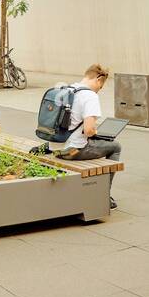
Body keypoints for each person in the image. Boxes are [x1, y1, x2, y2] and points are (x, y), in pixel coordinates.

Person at [52, 64, 122, 208]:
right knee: (115, 147)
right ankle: (104, 196)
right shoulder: (90, 96)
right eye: (101, 87)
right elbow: (89, 130)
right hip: (72, 151)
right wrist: (96, 133)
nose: (99, 90)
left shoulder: (68, 89)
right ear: (98, 79)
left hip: (55, 147)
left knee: (97, 143)